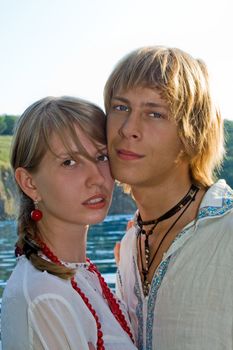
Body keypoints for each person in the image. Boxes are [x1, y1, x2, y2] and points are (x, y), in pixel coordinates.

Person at [104, 46, 233, 350]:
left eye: (154, 113)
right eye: (121, 107)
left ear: (194, 132)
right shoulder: (129, 246)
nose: (128, 129)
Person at [1, 96, 137, 350]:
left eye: (101, 156)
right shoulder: (45, 295)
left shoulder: (79, 276)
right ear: (30, 183)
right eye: (69, 162)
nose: (96, 177)